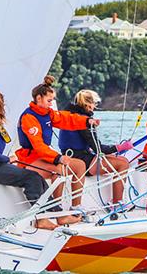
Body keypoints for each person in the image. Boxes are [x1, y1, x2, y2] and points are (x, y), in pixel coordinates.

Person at [0, 88, 58, 230]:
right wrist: (8, 159)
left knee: (37, 177)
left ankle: (55, 210)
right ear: (2, 106)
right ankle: (40, 218)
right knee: (31, 178)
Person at [15, 76, 97, 219]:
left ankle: (76, 206)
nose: (52, 103)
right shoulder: (29, 117)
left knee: (80, 165)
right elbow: (39, 147)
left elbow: (67, 119)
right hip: (29, 160)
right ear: (38, 98)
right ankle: (57, 209)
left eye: (53, 100)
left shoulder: (48, 113)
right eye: (49, 100)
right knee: (59, 170)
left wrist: (87, 121)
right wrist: (58, 157)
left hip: (44, 157)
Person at [58, 89, 133, 206]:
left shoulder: (70, 116)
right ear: (88, 104)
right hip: (81, 160)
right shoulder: (84, 121)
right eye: (94, 103)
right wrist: (120, 147)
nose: (95, 106)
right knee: (123, 163)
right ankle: (116, 204)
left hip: (73, 156)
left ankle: (117, 202)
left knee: (116, 159)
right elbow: (99, 148)